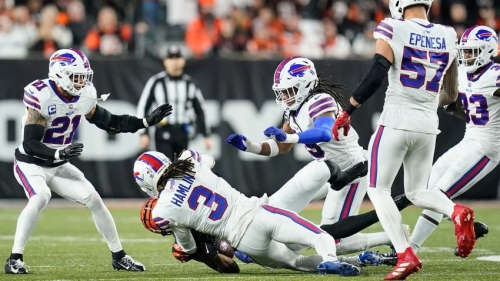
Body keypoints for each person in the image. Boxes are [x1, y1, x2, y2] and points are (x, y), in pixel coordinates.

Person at [331, 0, 476, 279]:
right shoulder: (448, 34)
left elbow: (376, 74)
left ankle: (404, 254)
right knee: (416, 191)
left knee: (377, 189)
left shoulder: (392, 26)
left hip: (397, 118)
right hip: (428, 122)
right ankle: (455, 210)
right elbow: (451, 94)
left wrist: (348, 109)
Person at [5, 48, 172, 274]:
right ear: (60, 74)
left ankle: (119, 256)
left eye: (84, 76)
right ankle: (14, 258)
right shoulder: (42, 94)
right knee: (40, 197)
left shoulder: (83, 96)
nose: (82, 81)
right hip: (30, 162)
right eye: (76, 76)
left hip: (58, 164)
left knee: (94, 199)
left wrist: (144, 122)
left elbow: (110, 122)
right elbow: (30, 143)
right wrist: (58, 154)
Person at [225, 56, 396, 254]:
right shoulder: (293, 111)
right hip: (326, 171)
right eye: (282, 92)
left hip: (352, 172)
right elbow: (282, 147)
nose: (285, 97)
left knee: (333, 240)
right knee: (278, 210)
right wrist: (252, 147)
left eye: (289, 91)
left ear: (306, 85)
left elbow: (324, 131)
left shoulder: (320, 100)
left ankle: (391, 237)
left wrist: (290, 137)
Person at [133, 150, 361, 276]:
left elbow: (189, 248)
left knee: (297, 262)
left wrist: (188, 246)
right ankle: (331, 258)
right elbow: (210, 160)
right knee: (317, 236)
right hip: (256, 212)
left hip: (244, 241)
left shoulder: (162, 211)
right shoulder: (189, 161)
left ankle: (340, 262)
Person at [410, 25, 498, 254]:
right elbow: (469, 111)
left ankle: (409, 249)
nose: (467, 56)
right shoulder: (463, 72)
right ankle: (470, 225)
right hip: (469, 140)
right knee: (427, 192)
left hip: (488, 147)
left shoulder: (495, 75)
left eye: (472, 51)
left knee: (438, 194)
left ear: (488, 50)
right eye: (465, 51)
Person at [136, 44, 212, 159]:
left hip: (182, 132)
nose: (174, 62)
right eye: (171, 58)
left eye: (177, 58)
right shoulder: (156, 82)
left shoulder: (190, 83)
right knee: (165, 169)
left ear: (183, 61)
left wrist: (206, 135)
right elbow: (143, 107)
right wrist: (143, 133)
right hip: (163, 131)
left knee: (181, 171)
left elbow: (200, 110)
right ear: (165, 61)